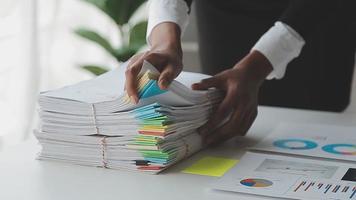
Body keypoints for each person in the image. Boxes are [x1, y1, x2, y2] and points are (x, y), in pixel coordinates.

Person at [125, 0, 355, 146]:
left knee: (314, 136)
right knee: (228, 126)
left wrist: (257, 66)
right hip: (225, 18)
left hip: (315, 24)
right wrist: (163, 41)